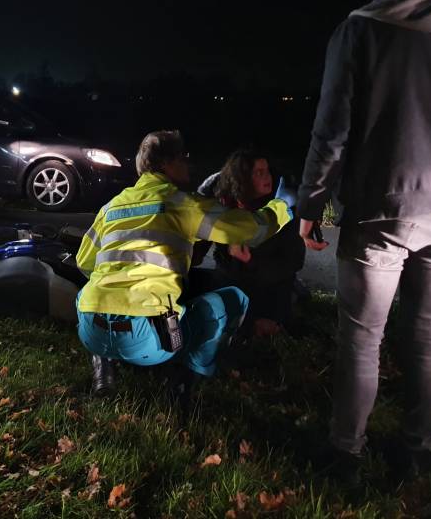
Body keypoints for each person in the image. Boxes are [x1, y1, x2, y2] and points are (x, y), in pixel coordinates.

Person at [297, 0, 431, 484]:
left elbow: (332, 131)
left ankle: (346, 454)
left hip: (383, 208)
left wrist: (311, 202)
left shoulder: (360, 29)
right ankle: (417, 452)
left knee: (363, 338)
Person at [76, 130, 297, 401]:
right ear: (166, 164)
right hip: (147, 341)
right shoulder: (182, 203)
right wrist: (283, 206)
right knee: (232, 300)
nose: (188, 164)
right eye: (183, 157)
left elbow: (84, 262)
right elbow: (250, 230)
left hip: (91, 332)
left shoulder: (111, 207)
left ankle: (103, 369)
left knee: (89, 293)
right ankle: (183, 381)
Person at [193, 149, 306, 338]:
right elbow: (199, 245)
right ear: (241, 178)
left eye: (267, 171)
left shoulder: (283, 208)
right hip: (228, 278)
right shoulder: (222, 205)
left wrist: (251, 261)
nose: (267, 177)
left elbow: (293, 261)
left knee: (268, 322)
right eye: (258, 172)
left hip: (270, 282)